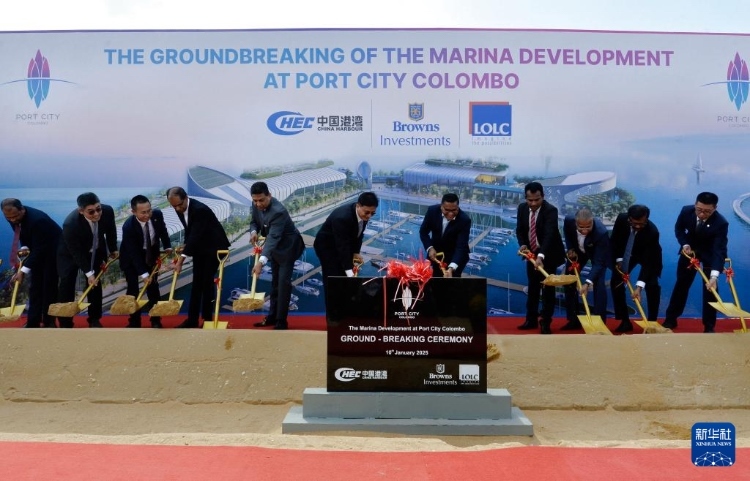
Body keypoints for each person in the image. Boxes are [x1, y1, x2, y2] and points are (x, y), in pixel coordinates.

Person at [663, 192, 728, 333]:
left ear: (715, 208)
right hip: (689, 252)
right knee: (681, 285)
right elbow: (679, 229)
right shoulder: (686, 211)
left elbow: (719, 250)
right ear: (695, 204)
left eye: (707, 211)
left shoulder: (721, 223)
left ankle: (709, 326)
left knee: (710, 290)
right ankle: (671, 319)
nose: (702, 214)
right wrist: (684, 244)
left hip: (710, 254)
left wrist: (714, 276)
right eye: (699, 210)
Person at [166, 186, 230, 329]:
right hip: (200, 247)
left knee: (206, 283)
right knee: (196, 285)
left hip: (215, 248)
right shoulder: (179, 207)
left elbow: (195, 235)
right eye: (174, 206)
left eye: (179, 205)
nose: (177, 209)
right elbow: (190, 230)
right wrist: (185, 245)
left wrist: (180, 261)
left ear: (186, 198)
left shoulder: (200, 210)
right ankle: (192, 320)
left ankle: (207, 320)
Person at [248, 182, 305, 330]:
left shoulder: (278, 211)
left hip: (288, 248)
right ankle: (272, 317)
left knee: (283, 284)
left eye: (261, 200)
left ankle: (281, 321)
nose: (258, 204)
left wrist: (260, 263)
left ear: (269, 195)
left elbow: (273, 238)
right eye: (255, 200)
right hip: (274, 248)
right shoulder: (255, 204)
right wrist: (253, 232)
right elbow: (254, 221)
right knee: (275, 284)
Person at [57, 192, 118, 328]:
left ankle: (94, 319)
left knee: (95, 284)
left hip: (94, 251)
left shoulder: (107, 211)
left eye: (98, 209)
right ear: (81, 211)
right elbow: (76, 253)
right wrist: (88, 273)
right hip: (70, 254)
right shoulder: (70, 224)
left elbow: (111, 230)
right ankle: (65, 322)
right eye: (91, 212)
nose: (96, 214)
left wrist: (113, 248)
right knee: (66, 284)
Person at [313, 192, 379, 311]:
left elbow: (359, 235)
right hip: (327, 248)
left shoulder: (363, 214)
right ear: (358, 205)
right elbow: (342, 246)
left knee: (345, 279)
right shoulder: (342, 218)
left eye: (372, 213)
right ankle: (332, 315)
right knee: (333, 280)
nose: (369, 216)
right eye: (367, 212)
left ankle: (344, 309)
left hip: (342, 244)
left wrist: (356, 253)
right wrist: (349, 271)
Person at [1, 198, 61, 328]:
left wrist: (23, 271)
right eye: (9, 217)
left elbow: (41, 249)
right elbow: (22, 234)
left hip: (54, 251)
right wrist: (24, 248)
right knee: (35, 287)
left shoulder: (38, 220)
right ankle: (33, 322)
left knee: (49, 287)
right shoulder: (12, 216)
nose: (12, 220)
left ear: (22, 209)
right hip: (37, 250)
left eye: (15, 216)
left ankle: (49, 322)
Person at [515, 182, 565, 334]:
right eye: (530, 200)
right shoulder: (522, 208)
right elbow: (520, 230)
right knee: (533, 287)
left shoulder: (551, 211)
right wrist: (523, 244)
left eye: (537, 200)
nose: (533, 203)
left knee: (548, 289)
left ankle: (546, 322)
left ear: (543, 196)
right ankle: (531, 320)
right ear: (525, 198)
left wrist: (541, 256)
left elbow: (549, 235)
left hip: (548, 254)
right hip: (531, 254)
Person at [118, 195, 172, 328]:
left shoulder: (157, 215)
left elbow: (163, 230)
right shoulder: (128, 227)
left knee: (153, 288)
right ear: (133, 212)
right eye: (143, 212)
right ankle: (134, 322)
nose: (147, 215)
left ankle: (156, 320)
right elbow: (133, 253)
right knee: (133, 290)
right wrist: (144, 274)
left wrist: (167, 246)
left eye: (149, 210)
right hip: (131, 258)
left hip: (150, 254)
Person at [610, 204, 663, 333]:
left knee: (652, 284)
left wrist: (639, 287)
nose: (638, 226)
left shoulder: (652, 232)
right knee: (616, 282)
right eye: (634, 223)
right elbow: (615, 241)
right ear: (629, 218)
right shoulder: (621, 219)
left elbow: (649, 262)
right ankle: (625, 321)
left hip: (649, 256)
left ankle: (651, 322)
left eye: (641, 224)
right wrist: (619, 260)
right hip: (627, 253)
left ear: (646, 219)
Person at [561, 207, 610, 330]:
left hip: (596, 255)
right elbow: (567, 233)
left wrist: (587, 283)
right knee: (569, 281)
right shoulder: (569, 220)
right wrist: (570, 248)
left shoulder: (601, 232)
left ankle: (599, 323)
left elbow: (598, 263)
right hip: (578, 252)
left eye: (588, 227)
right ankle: (573, 319)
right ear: (575, 222)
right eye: (581, 227)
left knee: (599, 284)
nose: (584, 230)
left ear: (592, 221)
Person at [419, 193, 471, 278]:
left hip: (455, 256)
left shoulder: (465, 220)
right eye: (447, 210)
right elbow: (423, 232)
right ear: (441, 207)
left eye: (454, 210)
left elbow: (461, 247)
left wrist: (451, 268)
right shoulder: (432, 211)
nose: (450, 214)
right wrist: (430, 248)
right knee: (432, 280)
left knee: (450, 282)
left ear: (458, 207)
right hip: (435, 253)